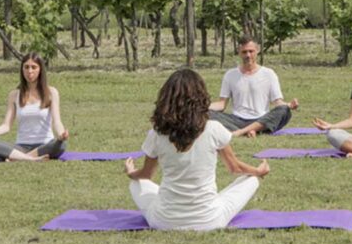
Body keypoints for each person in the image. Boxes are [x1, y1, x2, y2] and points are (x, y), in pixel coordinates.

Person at [125, 68, 270, 231]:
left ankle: (170, 202)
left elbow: (146, 174)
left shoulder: (157, 134)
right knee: (250, 180)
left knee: (136, 184)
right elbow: (234, 167)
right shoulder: (214, 128)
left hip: (164, 221)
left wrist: (132, 173)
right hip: (210, 221)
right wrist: (258, 171)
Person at [0, 53, 69, 161]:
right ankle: (30, 158)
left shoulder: (51, 92)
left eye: (34, 67)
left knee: (61, 144)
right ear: (22, 70)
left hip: (45, 145)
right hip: (21, 147)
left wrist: (61, 135)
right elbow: (6, 126)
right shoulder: (14, 95)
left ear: (40, 70)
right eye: (26, 67)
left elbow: (57, 122)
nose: (29, 71)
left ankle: (18, 158)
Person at [209, 36, 298, 137]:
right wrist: (201, 107)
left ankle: (241, 132)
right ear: (239, 52)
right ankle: (253, 130)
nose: (248, 55)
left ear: (257, 50)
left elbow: (277, 102)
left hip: (262, 119)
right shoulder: (230, 75)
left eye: (251, 51)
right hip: (236, 120)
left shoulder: (269, 74)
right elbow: (222, 104)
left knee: (284, 110)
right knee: (204, 114)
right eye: (244, 52)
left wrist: (289, 105)